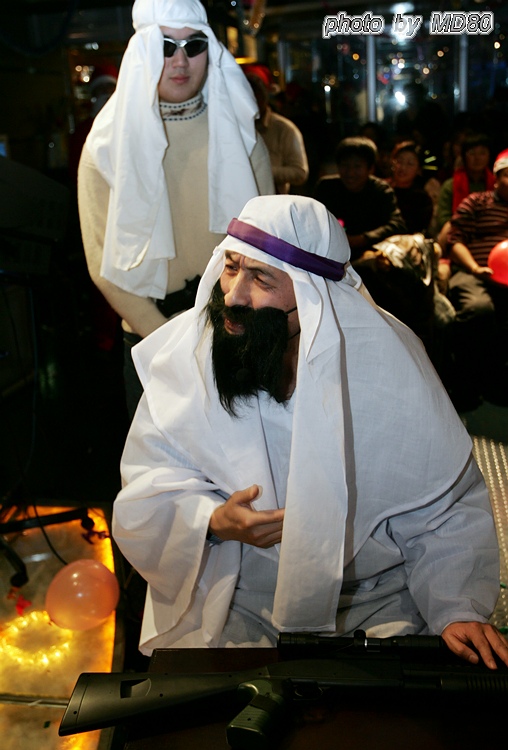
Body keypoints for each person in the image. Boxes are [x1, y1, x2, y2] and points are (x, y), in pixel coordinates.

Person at [112, 194, 507, 671]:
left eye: (262, 279)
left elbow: (442, 507)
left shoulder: (387, 365)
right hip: (237, 596)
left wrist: (455, 605)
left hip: (370, 602)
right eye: (231, 267)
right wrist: (212, 521)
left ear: (314, 293)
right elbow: (148, 484)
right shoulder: (194, 354)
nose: (234, 295)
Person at [78, 0, 274, 415]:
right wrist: (171, 343)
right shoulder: (105, 146)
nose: (181, 60)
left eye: (193, 45)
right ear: (141, 52)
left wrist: (236, 330)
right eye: (165, 46)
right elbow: (103, 265)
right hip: (153, 341)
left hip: (237, 333)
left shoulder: (241, 135)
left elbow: (269, 245)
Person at [445, 148, 508, 408]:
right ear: (497, 178)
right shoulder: (477, 201)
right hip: (474, 271)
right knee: (478, 309)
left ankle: (497, 381)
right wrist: (473, 267)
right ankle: (466, 383)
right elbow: (454, 241)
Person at [313, 136, 407, 262]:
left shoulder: (381, 190)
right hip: (330, 254)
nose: (350, 173)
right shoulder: (326, 187)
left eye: (357, 167)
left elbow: (397, 225)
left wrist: (362, 239)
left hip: (370, 254)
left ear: (370, 169)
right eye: (345, 166)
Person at [245, 67, 309, 195]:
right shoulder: (233, 128)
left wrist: (263, 171)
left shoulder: (283, 128)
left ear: (264, 97)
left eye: (256, 95)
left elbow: (300, 172)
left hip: (273, 201)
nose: (252, 101)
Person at [388, 141, 434, 235]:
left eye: (410, 164)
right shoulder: (382, 189)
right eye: (399, 161)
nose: (403, 168)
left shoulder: (422, 199)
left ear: (419, 169)